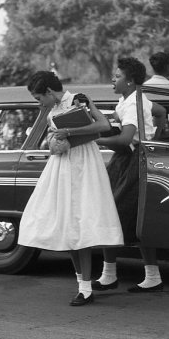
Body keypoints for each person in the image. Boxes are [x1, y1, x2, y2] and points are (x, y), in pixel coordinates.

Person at [18, 71, 123, 306]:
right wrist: (54, 141)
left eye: (39, 98)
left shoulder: (80, 99)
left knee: (81, 221)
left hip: (84, 164)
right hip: (62, 165)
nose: (39, 104)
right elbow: (52, 138)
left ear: (49, 92)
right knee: (67, 223)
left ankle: (86, 288)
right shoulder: (49, 112)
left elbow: (103, 125)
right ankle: (82, 285)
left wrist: (70, 131)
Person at [92, 57, 163, 293]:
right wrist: (157, 136)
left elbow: (124, 139)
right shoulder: (132, 99)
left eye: (118, 76)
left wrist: (95, 139)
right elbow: (161, 111)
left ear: (130, 81)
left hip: (134, 161)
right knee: (132, 218)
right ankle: (145, 275)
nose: (113, 78)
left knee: (115, 214)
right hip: (131, 159)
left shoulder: (133, 104)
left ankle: (112, 274)